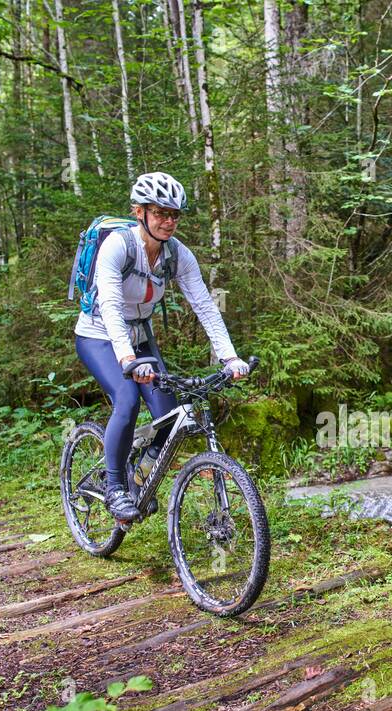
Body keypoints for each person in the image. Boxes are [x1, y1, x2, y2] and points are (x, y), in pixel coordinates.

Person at [74, 171, 249, 521]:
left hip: (139, 336)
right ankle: (115, 487)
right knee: (127, 398)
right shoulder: (118, 246)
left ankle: (138, 479)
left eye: (174, 215)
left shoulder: (177, 254)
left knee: (170, 417)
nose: (169, 222)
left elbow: (204, 305)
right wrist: (127, 358)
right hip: (99, 335)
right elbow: (109, 304)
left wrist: (229, 356)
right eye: (160, 213)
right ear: (140, 212)